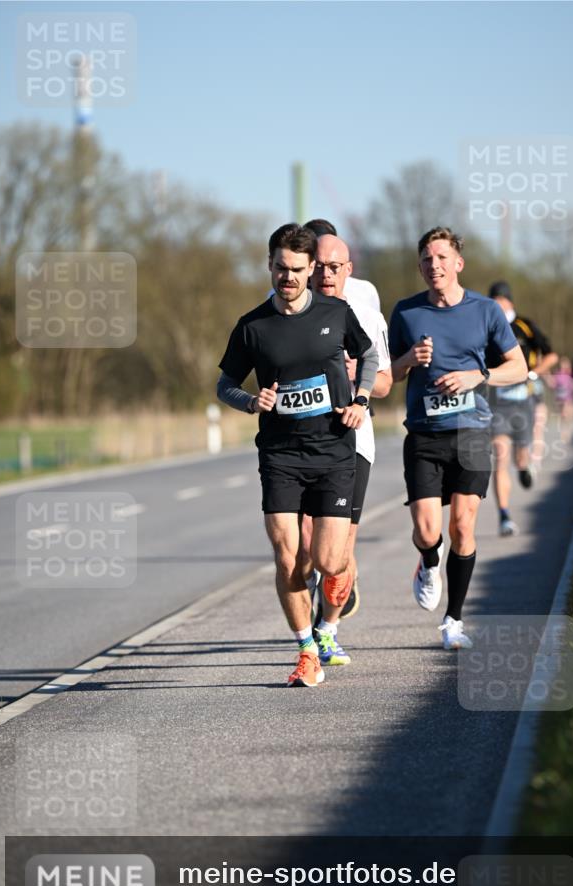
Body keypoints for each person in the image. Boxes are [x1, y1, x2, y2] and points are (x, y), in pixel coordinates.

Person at [217, 223, 378, 687]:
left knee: (329, 561)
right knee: (289, 558)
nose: (288, 277)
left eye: (297, 270)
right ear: (269, 265)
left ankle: (329, 621)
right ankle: (306, 649)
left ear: (311, 270)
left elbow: (367, 357)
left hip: (332, 451)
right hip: (281, 455)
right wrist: (250, 402)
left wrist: (361, 400)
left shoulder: (336, 311)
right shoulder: (252, 326)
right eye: (280, 268)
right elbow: (224, 384)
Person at [389, 227, 527, 649]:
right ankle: (428, 562)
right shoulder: (406, 312)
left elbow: (519, 368)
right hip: (425, 435)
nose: (435, 266)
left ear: (458, 263)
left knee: (463, 526)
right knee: (429, 531)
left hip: (472, 431)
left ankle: (453, 621)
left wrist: (478, 376)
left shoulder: (486, 311)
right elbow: (386, 377)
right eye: (428, 260)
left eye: (443, 258)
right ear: (420, 266)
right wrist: (409, 359)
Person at [301, 234, 392, 668]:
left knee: (339, 550)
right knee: (303, 546)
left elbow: (386, 380)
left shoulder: (365, 314)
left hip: (353, 440)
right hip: (299, 442)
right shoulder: (287, 308)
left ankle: (327, 630)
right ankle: (308, 630)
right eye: (317, 265)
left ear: (347, 268)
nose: (324, 273)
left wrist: (360, 383)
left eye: (333, 265)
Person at [487, 281, 558, 537]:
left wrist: (533, 374)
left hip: (523, 400)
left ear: (509, 302)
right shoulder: (486, 325)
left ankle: (525, 467)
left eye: (499, 300)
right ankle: (504, 515)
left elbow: (551, 355)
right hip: (496, 402)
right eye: (491, 300)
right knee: (500, 455)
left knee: (519, 457)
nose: (495, 305)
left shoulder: (525, 325)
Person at [304, 219, 381, 313]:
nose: (325, 274)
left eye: (334, 267)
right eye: (318, 265)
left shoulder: (365, 291)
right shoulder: (291, 297)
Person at [552, 357, 573, 441]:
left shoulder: (571, 374)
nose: (565, 366)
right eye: (563, 364)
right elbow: (553, 385)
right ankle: (563, 433)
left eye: (566, 364)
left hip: (570, 397)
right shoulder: (557, 374)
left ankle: (568, 432)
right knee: (564, 415)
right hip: (561, 399)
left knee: (568, 417)